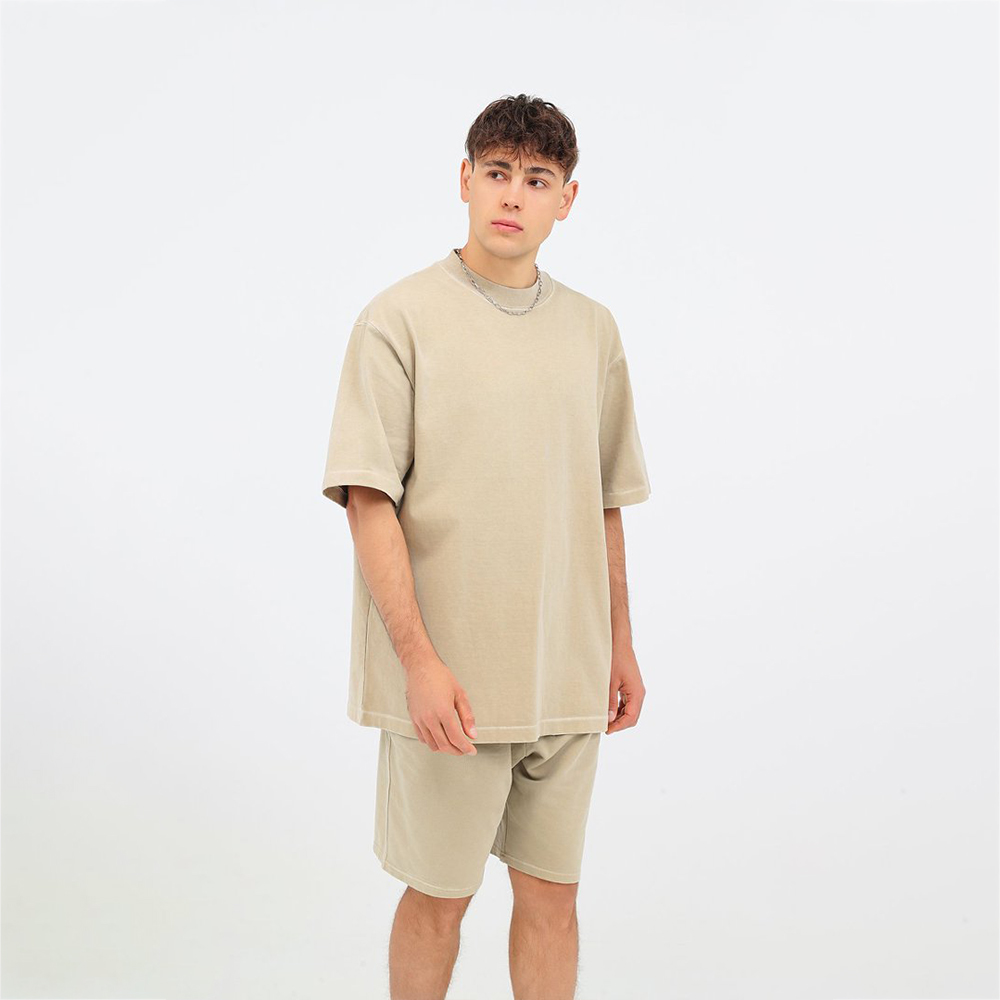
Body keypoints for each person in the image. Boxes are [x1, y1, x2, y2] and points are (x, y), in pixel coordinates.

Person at [320, 93, 651, 1000]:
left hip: (567, 678)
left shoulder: (593, 331)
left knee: (554, 900)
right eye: (497, 172)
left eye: (536, 179)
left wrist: (618, 643)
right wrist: (419, 663)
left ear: (566, 199)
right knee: (439, 900)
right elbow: (367, 500)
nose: (513, 195)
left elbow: (605, 500)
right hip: (451, 688)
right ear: (464, 180)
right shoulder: (399, 319)